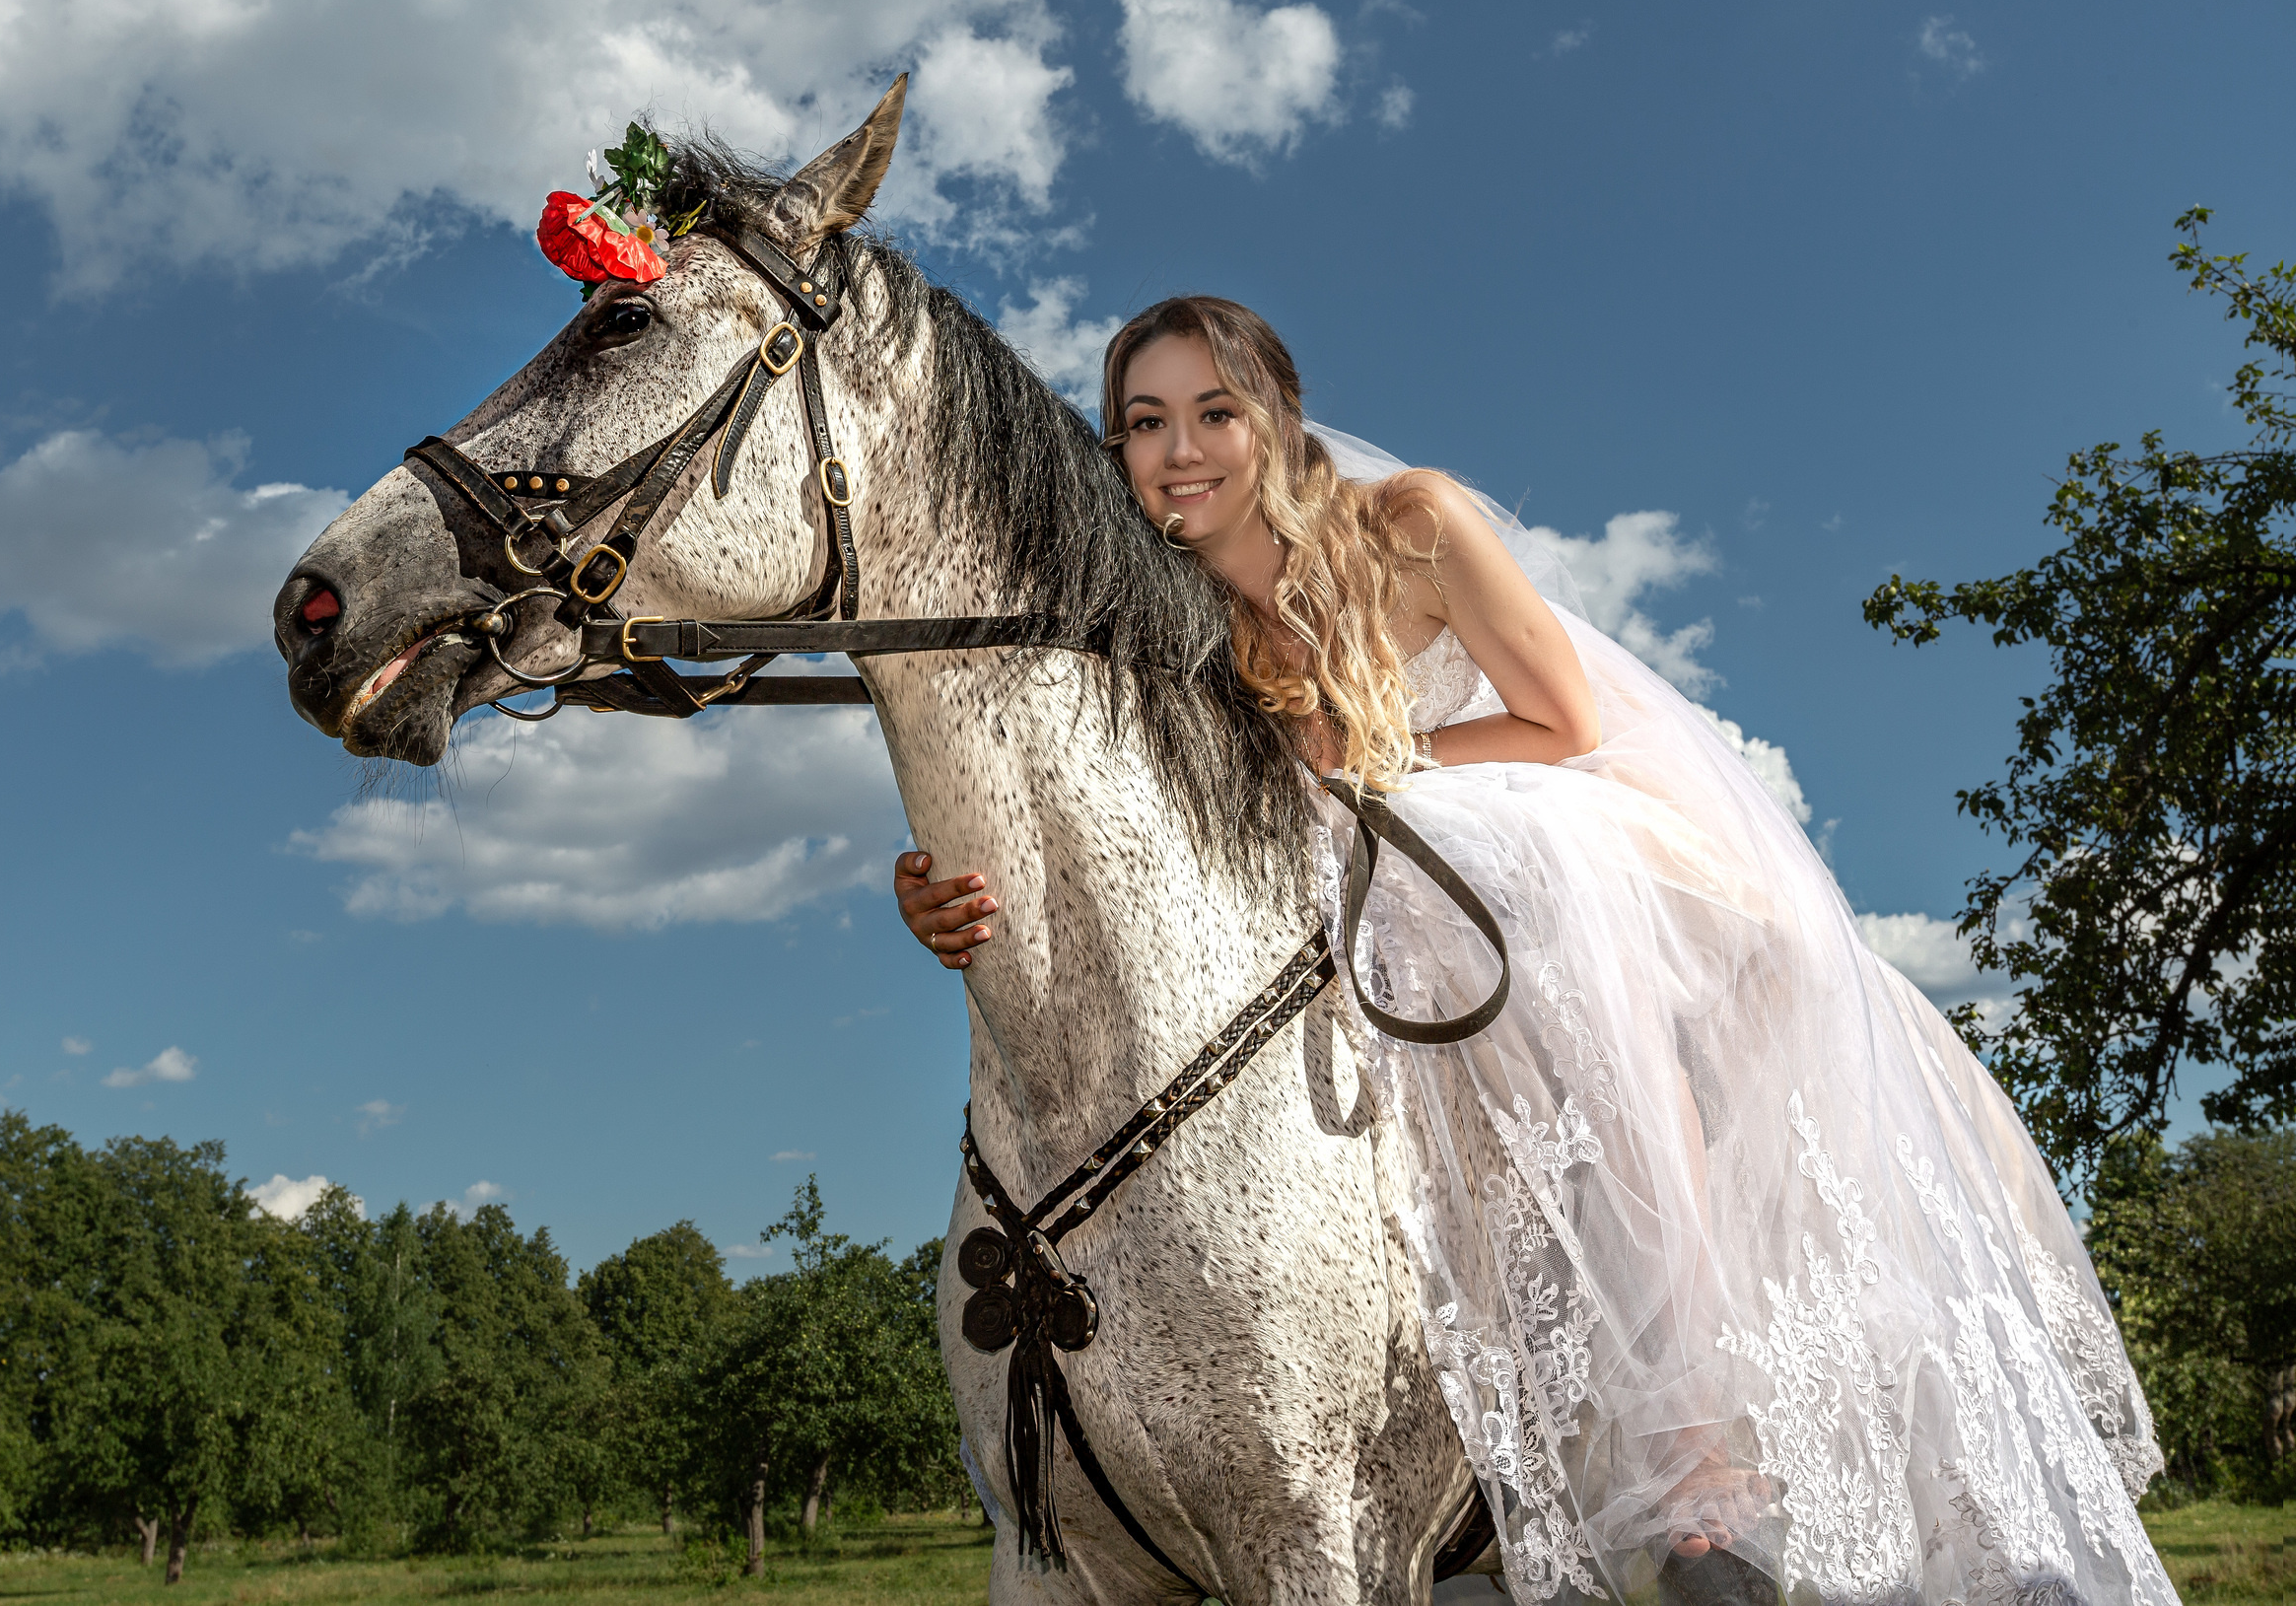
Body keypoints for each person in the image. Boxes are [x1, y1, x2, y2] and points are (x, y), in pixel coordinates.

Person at [897, 297, 2176, 1606]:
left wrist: (1372, 763)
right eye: (1144, 424)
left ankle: (1694, 1468)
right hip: (1328, 876)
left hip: (1508, 816)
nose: (1180, 451)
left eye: (1213, 412)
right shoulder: (1166, 617)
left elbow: (1560, 719)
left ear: (1276, 417)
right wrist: (928, 887)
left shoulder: (1412, 527)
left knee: (1551, 958)